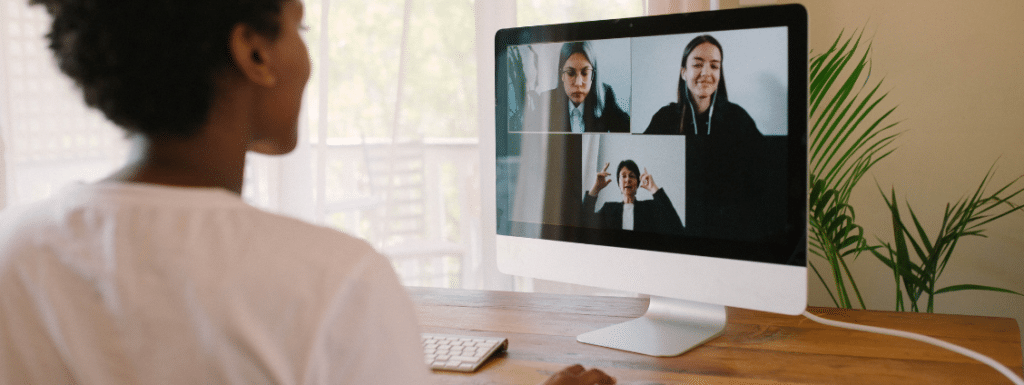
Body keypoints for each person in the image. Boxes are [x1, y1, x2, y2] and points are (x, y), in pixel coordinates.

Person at [0, 1, 615, 384]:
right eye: (301, 25)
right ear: (254, 51)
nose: (306, 54)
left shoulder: (14, 249)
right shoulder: (334, 280)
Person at [643, 35, 760, 138]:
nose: (706, 73)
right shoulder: (664, 118)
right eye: (697, 65)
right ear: (684, 73)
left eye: (714, 66)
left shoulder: (738, 118)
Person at [526, 41, 630, 133]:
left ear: (593, 75)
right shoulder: (547, 100)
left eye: (585, 73)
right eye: (571, 73)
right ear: (562, 75)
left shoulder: (606, 95)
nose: (578, 83)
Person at [583, 160, 684, 234]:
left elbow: (675, 226)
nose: (627, 180)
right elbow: (583, 223)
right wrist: (596, 188)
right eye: (623, 176)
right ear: (619, 183)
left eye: (632, 176)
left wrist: (653, 188)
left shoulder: (649, 208)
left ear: (638, 183)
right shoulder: (608, 209)